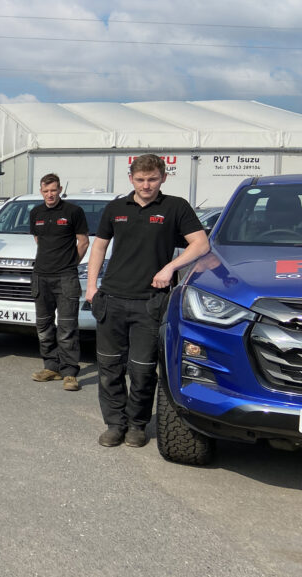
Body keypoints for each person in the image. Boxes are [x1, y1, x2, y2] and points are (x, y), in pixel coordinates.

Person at [85, 154, 209, 448]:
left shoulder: (175, 207)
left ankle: (137, 425)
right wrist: (91, 287)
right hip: (111, 299)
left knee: (141, 370)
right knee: (109, 369)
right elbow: (99, 246)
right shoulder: (116, 208)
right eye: (140, 179)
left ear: (163, 177)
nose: (146, 185)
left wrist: (170, 268)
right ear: (131, 179)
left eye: (152, 179)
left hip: (149, 303)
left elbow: (201, 243)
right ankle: (115, 424)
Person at [29, 174, 89, 392]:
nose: (50, 194)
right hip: (40, 276)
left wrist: (70, 263)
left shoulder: (73, 212)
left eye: (53, 190)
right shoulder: (36, 213)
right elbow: (38, 239)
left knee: (67, 327)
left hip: (66, 277)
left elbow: (83, 241)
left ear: (60, 189)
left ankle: (70, 372)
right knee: (43, 326)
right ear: (41, 191)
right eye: (46, 191)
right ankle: (51, 367)